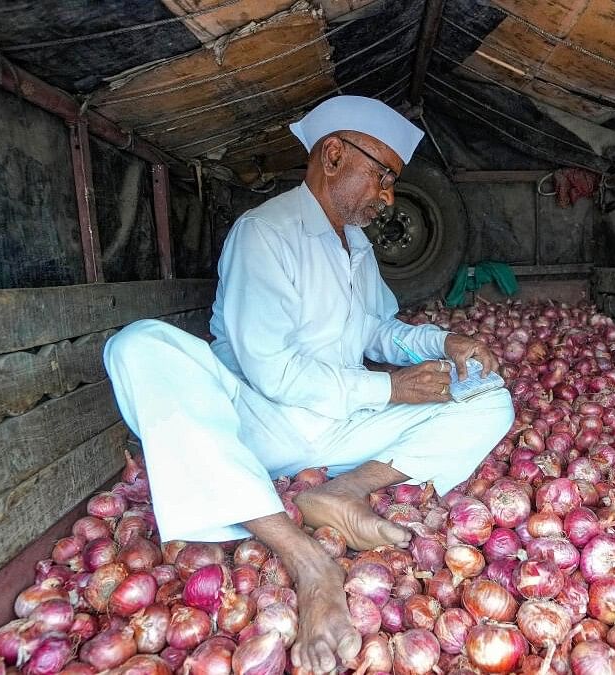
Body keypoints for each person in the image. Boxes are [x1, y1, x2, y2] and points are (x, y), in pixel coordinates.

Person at [102, 96, 515, 674]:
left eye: (392, 182)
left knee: (489, 398)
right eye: (383, 176)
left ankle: (342, 492)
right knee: (137, 346)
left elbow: (378, 331)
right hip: (258, 426)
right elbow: (274, 370)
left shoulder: (358, 244)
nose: (388, 197)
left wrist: (442, 345)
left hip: (342, 429)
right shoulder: (264, 233)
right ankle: (308, 562)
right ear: (334, 155)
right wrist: (391, 392)